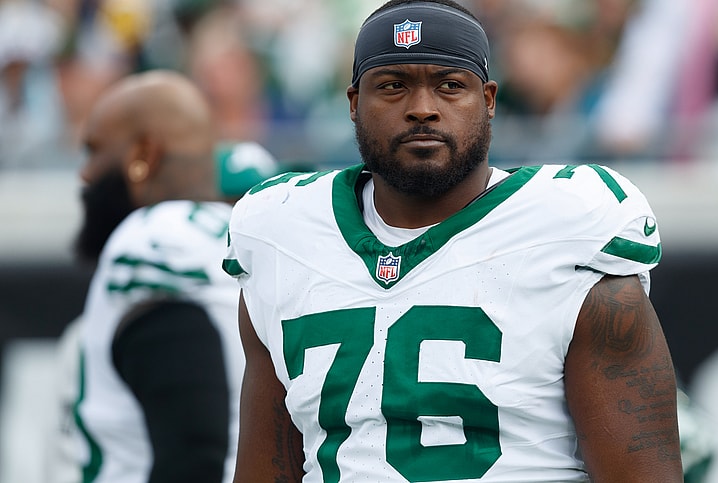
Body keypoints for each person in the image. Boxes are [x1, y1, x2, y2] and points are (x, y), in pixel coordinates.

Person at [223, 0, 683, 481]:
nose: (422, 109)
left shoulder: (569, 228)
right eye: (393, 86)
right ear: (355, 102)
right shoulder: (282, 234)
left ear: (487, 99)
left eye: (449, 86)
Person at [67, 69, 245, 483]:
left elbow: (194, 449)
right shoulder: (233, 231)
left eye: (95, 150)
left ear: (143, 156)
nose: (86, 173)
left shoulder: (154, 244)